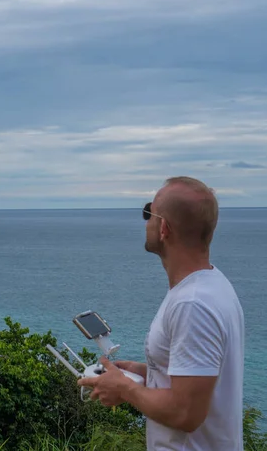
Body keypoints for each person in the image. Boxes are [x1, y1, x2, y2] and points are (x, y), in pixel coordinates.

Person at [78, 176, 245, 451]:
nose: (147, 222)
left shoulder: (192, 305)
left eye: (149, 213)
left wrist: (125, 390)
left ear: (164, 228)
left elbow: (186, 414)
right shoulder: (213, 285)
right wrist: (145, 373)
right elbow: (198, 381)